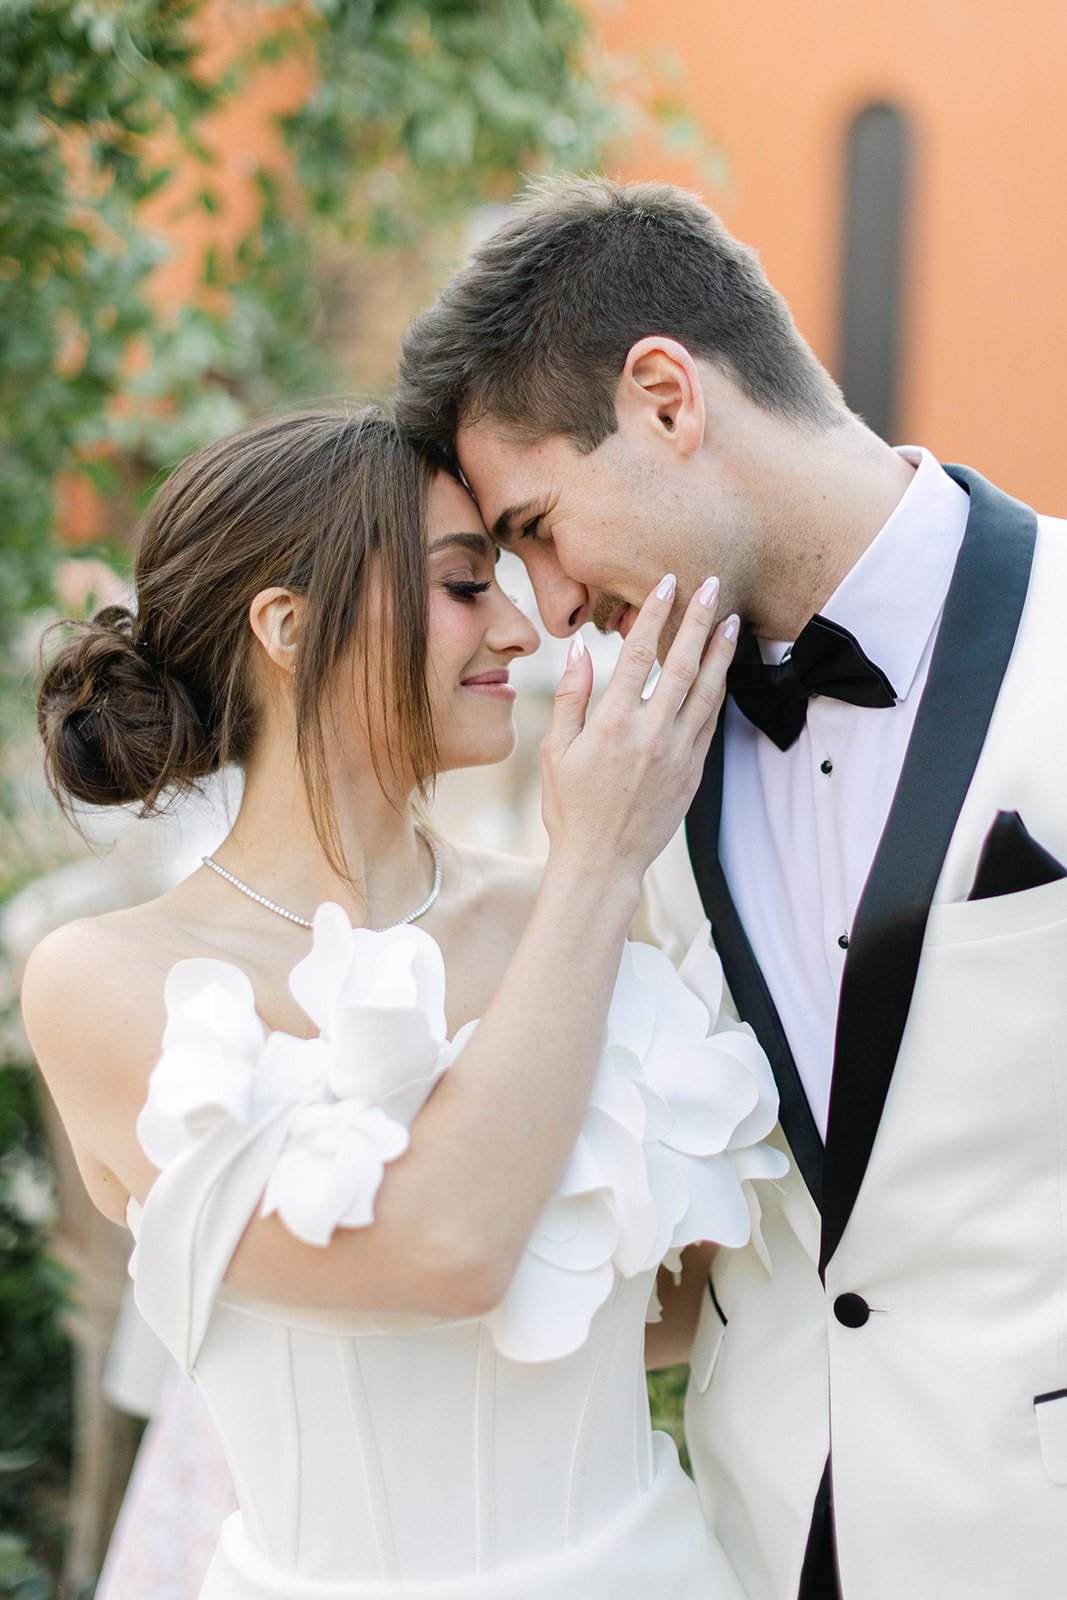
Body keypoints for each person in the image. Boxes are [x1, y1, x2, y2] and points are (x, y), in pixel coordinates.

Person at [395, 176, 1067, 1600]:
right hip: (753, 1540)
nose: (550, 607)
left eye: (535, 526)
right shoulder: (634, 765)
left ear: (664, 399)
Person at [21, 407, 783, 1599]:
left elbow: (683, 1293)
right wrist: (596, 860)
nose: (520, 628)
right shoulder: (107, 977)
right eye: (465, 584)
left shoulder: (567, 914)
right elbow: (446, 1253)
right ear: (287, 626)